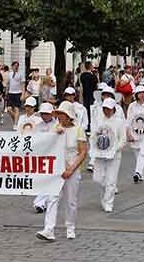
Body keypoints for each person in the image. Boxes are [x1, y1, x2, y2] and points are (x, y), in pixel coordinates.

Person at [36, 101, 87, 242]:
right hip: (56, 169)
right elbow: (47, 146)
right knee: (52, 198)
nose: (59, 117)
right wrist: (55, 134)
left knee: (71, 201)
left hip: (72, 168)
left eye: (62, 114)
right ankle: (49, 229)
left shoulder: (78, 130)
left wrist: (71, 169)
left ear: (68, 116)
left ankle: (70, 227)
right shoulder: (55, 128)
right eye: (58, 114)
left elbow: (83, 152)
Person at [90, 98, 126, 212]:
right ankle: (104, 198)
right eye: (104, 109)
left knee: (111, 179)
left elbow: (123, 139)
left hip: (114, 156)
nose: (106, 111)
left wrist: (115, 149)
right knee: (98, 179)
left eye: (108, 109)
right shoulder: (98, 120)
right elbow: (93, 135)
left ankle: (109, 202)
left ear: (113, 109)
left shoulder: (119, 122)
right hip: (99, 154)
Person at [33, 103, 58, 213]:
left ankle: (40, 202)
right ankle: (42, 202)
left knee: (50, 180)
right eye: (43, 114)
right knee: (43, 179)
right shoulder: (38, 126)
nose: (44, 116)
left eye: (47, 114)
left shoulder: (58, 125)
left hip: (55, 157)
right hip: (41, 156)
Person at [79, 62, 97, 131]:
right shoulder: (93, 76)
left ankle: (87, 124)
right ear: (90, 67)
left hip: (85, 95)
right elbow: (96, 84)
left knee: (86, 110)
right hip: (92, 95)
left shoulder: (82, 76)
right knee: (91, 111)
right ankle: (91, 125)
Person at [8, 61, 25, 129]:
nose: (16, 67)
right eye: (15, 66)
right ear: (12, 67)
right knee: (9, 109)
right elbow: (8, 84)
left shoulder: (21, 74)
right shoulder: (10, 74)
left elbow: (23, 85)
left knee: (16, 109)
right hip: (10, 93)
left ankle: (15, 123)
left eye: (17, 66)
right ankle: (16, 120)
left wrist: (23, 94)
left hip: (18, 93)